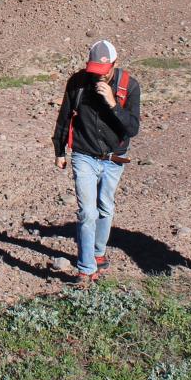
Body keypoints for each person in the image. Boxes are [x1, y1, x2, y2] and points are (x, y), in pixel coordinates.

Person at [52, 39, 141, 287]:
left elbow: (132, 128)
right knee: (87, 212)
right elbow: (64, 117)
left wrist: (113, 103)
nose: (97, 77)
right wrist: (59, 150)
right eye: (94, 71)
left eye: (103, 72)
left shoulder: (129, 86)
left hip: (114, 158)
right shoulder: (78, 83)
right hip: (83, 154)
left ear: (114, 64)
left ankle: (98, 253)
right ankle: (86, 269)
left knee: (105, 208)